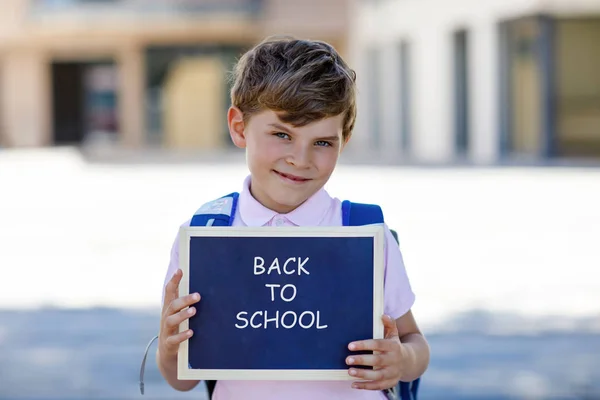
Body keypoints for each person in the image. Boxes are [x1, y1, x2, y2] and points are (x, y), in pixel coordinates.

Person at [156, 35, 430, 400]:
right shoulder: (205, 238)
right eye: (282, 134)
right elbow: (182, 379)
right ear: (239, 127)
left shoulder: (365, 234)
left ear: (343, 139)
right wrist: (170, 345)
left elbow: (413, 340)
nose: (301, 159)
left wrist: (402, 360)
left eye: (322, 142)